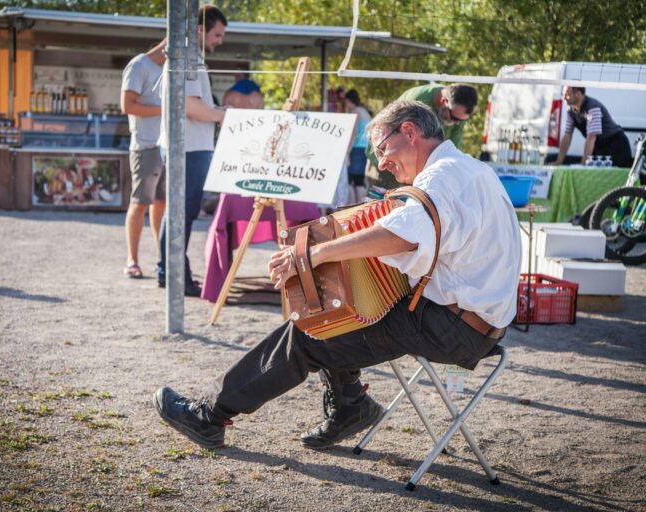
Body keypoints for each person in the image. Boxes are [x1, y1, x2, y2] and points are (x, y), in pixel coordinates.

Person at [152, 100, 521, 450]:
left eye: (382, 149)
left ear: (409, 132)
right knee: (335, 310)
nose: (382, 162)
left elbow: (404, 236)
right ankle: (350, 406)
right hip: (474, 321)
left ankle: (210, 415)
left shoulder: (442, 177)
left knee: (309, 332)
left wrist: (315, 254)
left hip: (452, 327)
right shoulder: (469, 169)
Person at [156, 4, 227, 295]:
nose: (220, 41)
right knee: (181, 214)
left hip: (188, 145)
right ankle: (173, 275)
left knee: (179, 213)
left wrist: (219, 112)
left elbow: (195, 105)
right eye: (217, 34)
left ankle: (172, 272)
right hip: (188, 147)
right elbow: (190, 106)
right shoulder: (187, 56)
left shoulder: (187, 55)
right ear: (200, 29)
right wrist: (225, 116)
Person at [365, 83, 478, 192]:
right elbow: (383, 132)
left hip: (414, 171)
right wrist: (384, 160)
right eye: (454, 118)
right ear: (444, 101)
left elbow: (453, 147)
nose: (457, 123)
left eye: (462, 120)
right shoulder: (418, 99)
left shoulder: (457, 111)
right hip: (388, 167)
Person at [121, 39, 167, 278]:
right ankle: (132, 260)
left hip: (166, 146)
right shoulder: (139, 65)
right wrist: (167, 109)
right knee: (139, 203)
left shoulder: (167, 68)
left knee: (161, 203)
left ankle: (162, 258)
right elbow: (127, 105)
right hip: (145, 145)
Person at [552, 86, 633, 168]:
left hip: (616, 146)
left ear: (578, 94)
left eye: (567, 95)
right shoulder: (570, 111)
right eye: (563, 94)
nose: (564, 98)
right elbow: (567, 135)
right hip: (599, 146)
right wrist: (558, 161)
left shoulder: (592, 106)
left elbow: (591, 136)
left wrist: (583, 164)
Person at [344, 89, 372, 203]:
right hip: (365, 148)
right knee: (359, 181)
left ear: (348, 100)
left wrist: (347, 152)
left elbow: (353, 133)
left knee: (351, 181)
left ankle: (354, 207)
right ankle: (359, 207)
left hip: (356, 149)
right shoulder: (364, 111)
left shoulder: (355, 112)